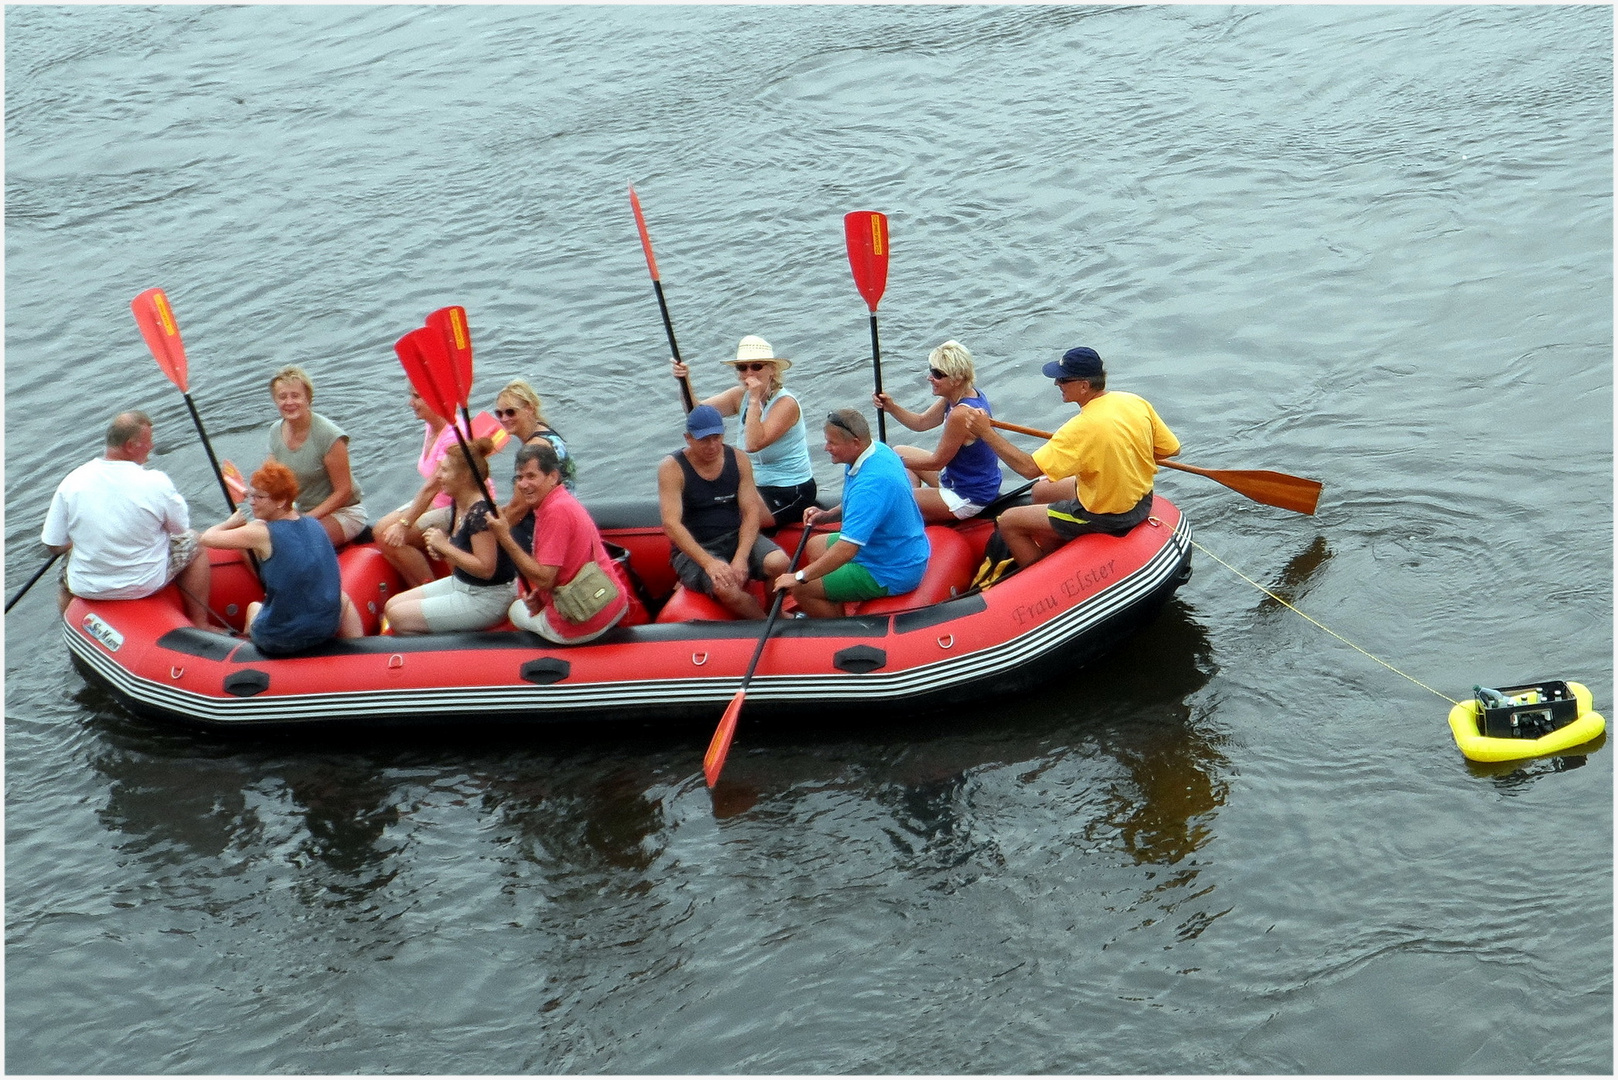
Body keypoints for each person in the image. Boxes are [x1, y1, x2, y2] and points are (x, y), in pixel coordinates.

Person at [960, 347, 1180, 568]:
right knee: (1042, 490)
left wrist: (986, 432)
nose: (1057, 384)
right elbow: (1171, 449)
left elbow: (1028, 469)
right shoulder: (1133, 402)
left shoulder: (1079, 429)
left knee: (1008, 521)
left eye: (1063, 379)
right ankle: (1055, 544)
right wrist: (1120, 457)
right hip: (1142, 499)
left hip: (1106, 516)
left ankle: (1040, 577)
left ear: (1084, 386)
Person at [42, 410, 212, 628]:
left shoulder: (72, 481)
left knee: (64, 574)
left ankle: (72, 629)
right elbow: (180, 529)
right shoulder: (156, 482)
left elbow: (53, 544)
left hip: (87, 586)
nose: (151, 447)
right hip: (144, 583)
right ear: (131, 446)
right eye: (148, 442)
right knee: (194, 542)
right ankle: (200, 622)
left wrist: (76, 543)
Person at [773, 408, 931, 618]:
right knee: (815, 545)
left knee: (802, 589)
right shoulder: (877, 452)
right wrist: (828, 515)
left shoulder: (870, 486)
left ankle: (838, 628)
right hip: (886, 547)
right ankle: (834, 598)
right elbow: (859, 506)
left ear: (855, 442)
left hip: (890, 570)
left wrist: (799, 577)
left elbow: (847, 550)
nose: (826, 447)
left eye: (832, 443)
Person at [199, 460, 363, 653]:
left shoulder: (260, 532)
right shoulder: (314, 524)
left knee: (253, 607)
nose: (251, 501)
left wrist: (230, 522)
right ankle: (360, 648)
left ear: (280, 501)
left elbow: (207, 538)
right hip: (325, 628)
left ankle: (246, 652)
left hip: (284, 638)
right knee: (341, 598)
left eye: (259, 497)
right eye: (251, 495)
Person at [487, 442, 629, 644]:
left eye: (531, 476)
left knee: (515, 610)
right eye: (519, 478)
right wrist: (541, 597)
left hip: (582, 623)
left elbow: (545, 579)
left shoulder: (554, 513)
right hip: (612, 603)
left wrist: (505, 537)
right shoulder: (564, 501)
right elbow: (565, 570)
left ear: (553, 476)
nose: (523, 484)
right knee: (531, 600)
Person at [658, 404, 790, 620]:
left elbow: (750, 513)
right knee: (725, 587)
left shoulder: (738, 459)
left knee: (779, 562)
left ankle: (774, 610)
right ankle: (763, 623)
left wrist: (741, 557)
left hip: (734, 536)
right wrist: (709, 562)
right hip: (697, 547)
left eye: (716, 438)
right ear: (688, 438)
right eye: (704, 440)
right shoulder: (672, 468)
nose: (712, 446)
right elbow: (671, 524)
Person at [670, 335, 816, 526]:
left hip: (790, 489)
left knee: (727, 519)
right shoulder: (739, 396)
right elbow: (696, 413)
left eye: (756, 366)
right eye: (742, 367)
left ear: (772, 370)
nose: (749, 372)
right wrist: (684, 380)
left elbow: (753, 444)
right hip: (753, 485)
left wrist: (755, 399)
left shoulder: (785, 404)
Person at [382, 436, 517, 634]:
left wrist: (445, 545)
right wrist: (441, 550)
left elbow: (486, 568)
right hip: (463, 584)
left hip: (487, 598)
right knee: (391, 606)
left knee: (398, 617)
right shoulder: (459, 503)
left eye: (444, 470)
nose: (439, 476)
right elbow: (461, 551)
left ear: (463, 477)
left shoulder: (481, 513)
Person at [376, 389, 497, 588]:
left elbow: (433, 486)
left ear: (436, 400)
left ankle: (428, 586)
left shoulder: (453, 435)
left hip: (458, 504)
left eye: (417, 396)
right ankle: (422, 586)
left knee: (390, 537)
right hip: (440, 499)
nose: (410, 403)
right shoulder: (431, 426)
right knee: (380, 529)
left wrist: (404, 524)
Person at [873, 339, 1003, 522]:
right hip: (957, 479)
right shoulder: (962, 394)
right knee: (899, 451)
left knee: (897, 490)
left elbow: (937, 462)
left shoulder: (961, 414)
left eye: (937, 374)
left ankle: (910, 506)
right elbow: (921, 422)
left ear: (957, 379)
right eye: (931, 370)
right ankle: (914, 504)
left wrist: (892, 462)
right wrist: (891, 407)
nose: (930, 377)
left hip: (968, 495)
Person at [264, 365, 368, 545]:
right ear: (275, 400)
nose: (289, 402)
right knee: (253, 539)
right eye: (282, 397)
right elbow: (271, 478)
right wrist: (250, 492)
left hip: (344, 512)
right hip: (302, 511)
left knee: (289, 543)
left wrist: (304, 520)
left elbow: (344, 491)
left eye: (295, 396)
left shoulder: (329, 435)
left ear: (308, 399)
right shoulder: (275, 431)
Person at [492, 379, 576, 489]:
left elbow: (517, 506)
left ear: (529, 409)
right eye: (499, 413)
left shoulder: (533, 449)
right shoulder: (545, 431)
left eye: (510, 412)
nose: (504, 419)